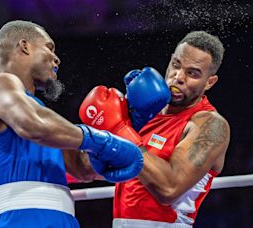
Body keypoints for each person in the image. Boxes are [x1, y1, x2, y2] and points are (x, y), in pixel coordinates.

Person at [0, 20, 145, 228]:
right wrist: (99, 140)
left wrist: (126, 129)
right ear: (25, 46)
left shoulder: (47, 120)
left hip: (63, 219)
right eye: (49, 47)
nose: (57, 59)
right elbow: (32, 125)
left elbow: (82, 169)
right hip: (21, 220)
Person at [78, 31, 230, 227]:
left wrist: (121, 129)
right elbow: (88, 170)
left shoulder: (210, 125)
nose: (178, 77)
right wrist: (118, 126)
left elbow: (169, 188)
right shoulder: (146, 113)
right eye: (176, 65)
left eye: (192, 73)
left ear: (210, 82)